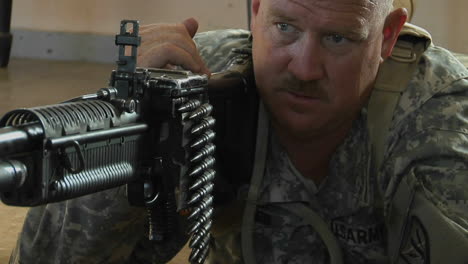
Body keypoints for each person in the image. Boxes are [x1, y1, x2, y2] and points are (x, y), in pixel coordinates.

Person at [10, 0, 468, 263]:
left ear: (387, 38)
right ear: (255, 11)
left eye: (338, 39)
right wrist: (124, 119)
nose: (304, 68)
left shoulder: (439, 119)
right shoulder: (203, 80)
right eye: (285, 27)